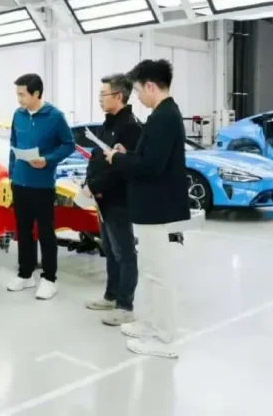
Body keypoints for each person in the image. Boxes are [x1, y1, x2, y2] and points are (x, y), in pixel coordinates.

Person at [104, 59, 190, 359]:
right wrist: (128, 153)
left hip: (159, 209)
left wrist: (118, 160)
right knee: (152, 271)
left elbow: (151, 166)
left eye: (139, 91)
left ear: (151, 86)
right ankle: (151, 324)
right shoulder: (162, 115)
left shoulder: (164, 118)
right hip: (153, 208)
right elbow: (151, 157)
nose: (138, 97)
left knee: (159, 274)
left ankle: (164, 338)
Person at [6, 74, 75, 299]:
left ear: (36, 93)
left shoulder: (55, 116)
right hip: (19, 182)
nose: (19, 99)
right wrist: (11, 174)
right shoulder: (18, 115)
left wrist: (48, 159)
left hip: (43, 184)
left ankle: (49, 279)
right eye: (17, 94)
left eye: (22, 94)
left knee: (46, 231)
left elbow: (69, 144)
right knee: (23, 230)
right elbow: (13, 144)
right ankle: (25, 274)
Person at [82, 74, 143, 326]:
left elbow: (122, 168)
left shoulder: (131, 127)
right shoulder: (108, 124)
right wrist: (88, 182)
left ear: (118, 96)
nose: (99, 99)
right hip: (102, 199)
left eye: (103, 94)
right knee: (109, 248)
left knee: (124, 252)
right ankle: (111, 295)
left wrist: (95, 185)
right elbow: (98, 157)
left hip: (119, 199)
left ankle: (125, 306)